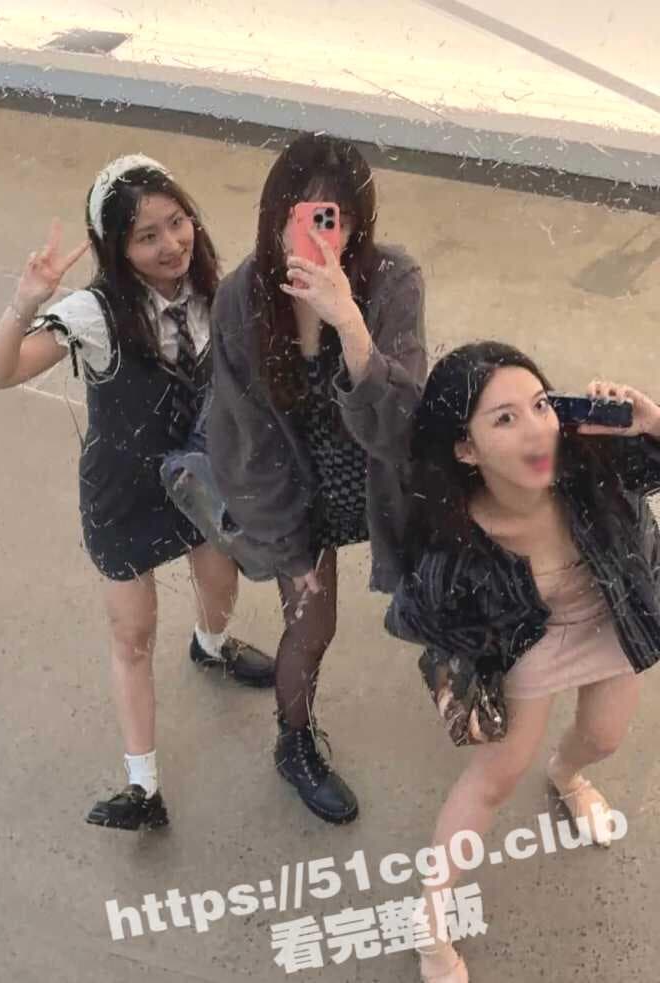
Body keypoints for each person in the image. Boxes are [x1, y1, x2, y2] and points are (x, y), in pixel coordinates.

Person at [0, 155, 273, 832]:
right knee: (132, 634)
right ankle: (144, 787)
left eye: (178, 222)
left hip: (199, 478)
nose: (171, 244)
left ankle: (211, 645)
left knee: (221, 581)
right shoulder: (92, 312)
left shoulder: (214, 290)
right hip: (123, 491)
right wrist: (24, 303)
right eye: (147, 235)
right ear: (117, 248)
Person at [386, 341, 660, 982]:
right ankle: (430, 922)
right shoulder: (454, 536)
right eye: (505, 419)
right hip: (526, 645)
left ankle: (567, 775)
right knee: (494, 779)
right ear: (466, 449)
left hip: (611, 619)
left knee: (605, 737)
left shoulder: (591, 460)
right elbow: (419, 619)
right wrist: (465, 682)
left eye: (540, 405)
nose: (538, 430)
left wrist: (652, 424)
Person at [208, 133, 427, 824]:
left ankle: (478, 682)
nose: (314, 233)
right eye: (300, 215)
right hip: (292, 485)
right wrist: (292, 549)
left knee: (441, 587)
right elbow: (247, 442)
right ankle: (293, 740)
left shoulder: (391, 280)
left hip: (373, 475)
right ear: (275, 214)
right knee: (311, 623)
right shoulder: (242, 298)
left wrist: (351, 326)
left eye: (335, 217)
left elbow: (405, 424)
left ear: (357, 224)